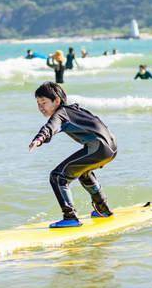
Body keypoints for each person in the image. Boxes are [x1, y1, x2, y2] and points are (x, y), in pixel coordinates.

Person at [28, 82, 117, 228]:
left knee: (57, 176)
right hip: (111, 147)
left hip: (99, 148)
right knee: (83, 172)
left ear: (56, 100)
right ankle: (103, 209)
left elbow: (50, 127)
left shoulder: (61, 113)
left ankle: (70, 217)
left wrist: (39, 139)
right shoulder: (74, 109)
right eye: (38, 103)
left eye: (43, 102)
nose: (40, 107)